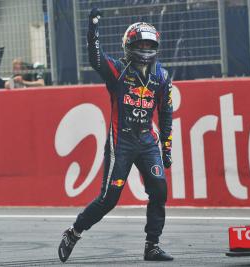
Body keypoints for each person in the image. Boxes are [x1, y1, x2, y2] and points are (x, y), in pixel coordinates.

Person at [58, 8, 174, 263]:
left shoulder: (163, 76)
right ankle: (74, 233)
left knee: (159, 190)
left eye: (149, 43)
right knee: (109, 199)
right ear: (129, 45)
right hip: (120, 141)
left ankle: (152, 246)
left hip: (147, 140)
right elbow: (96, 58)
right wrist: (93, 29)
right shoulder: (118, 70)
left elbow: (166, 113)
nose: (144, 48)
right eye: (140, 43)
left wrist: (166, 147)